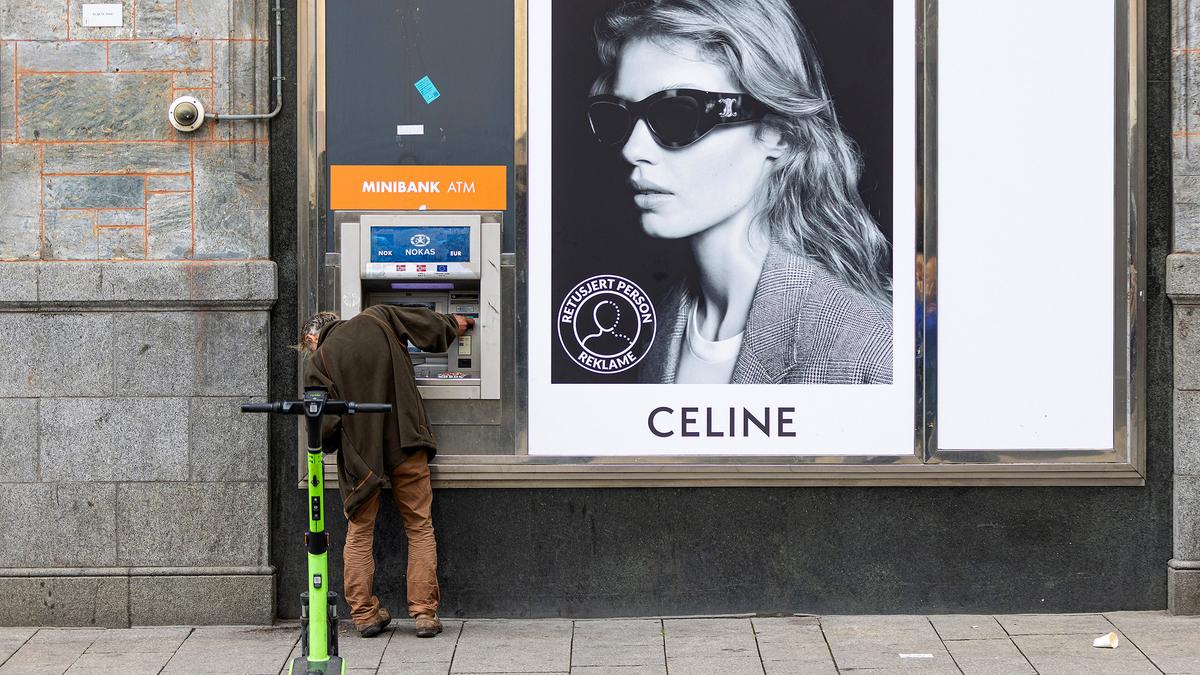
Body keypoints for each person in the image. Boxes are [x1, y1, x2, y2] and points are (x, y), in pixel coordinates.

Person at [585, 0, 893, 384]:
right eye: (620, 115)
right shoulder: (654, 323)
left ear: (778, 132)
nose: (632, 150)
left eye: (677, 114)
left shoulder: (868, 352)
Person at [298, 305, 474, 638]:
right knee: (419, 527)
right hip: (406, 441)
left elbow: (324, 430)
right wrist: (456, 323)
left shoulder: (319, 362)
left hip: (362, 460)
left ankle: (365, 615)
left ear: (311, 337)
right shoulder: (377, 316)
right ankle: (424, 614)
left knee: (360, 532)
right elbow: (428, 324)